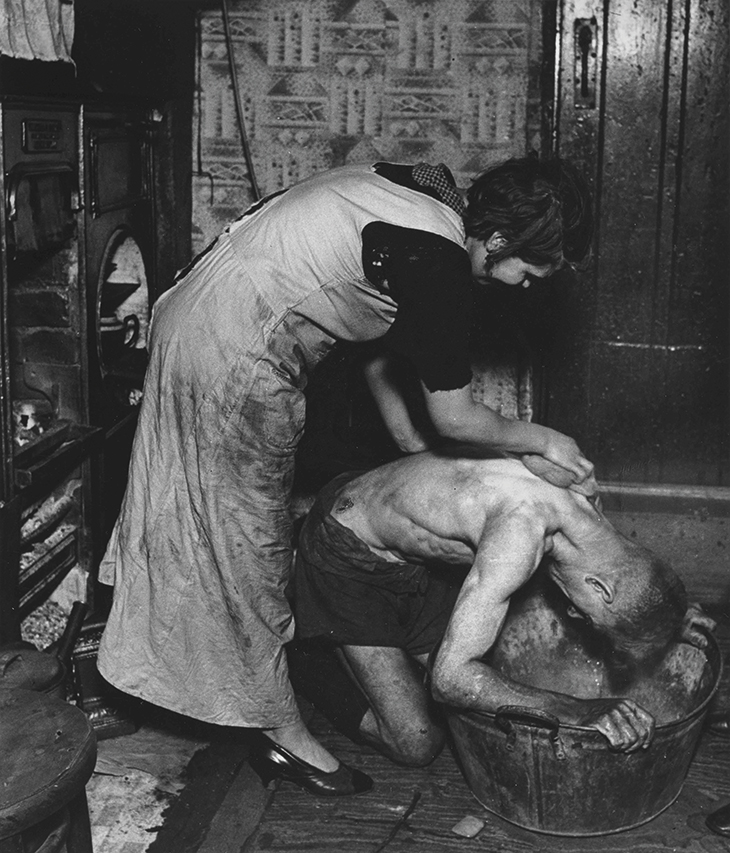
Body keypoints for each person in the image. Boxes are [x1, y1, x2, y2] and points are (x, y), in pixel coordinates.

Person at [96, 157, 595, 797]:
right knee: (247, 541)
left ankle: (241, 674)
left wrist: (417, 449)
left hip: (196, 311)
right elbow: (455, 411)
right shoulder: (439, 263)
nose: (525, 287)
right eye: (529, 271)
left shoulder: (424, 194)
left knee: (203, 515)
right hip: (233, 348)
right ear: (498, 243)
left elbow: (384, 359)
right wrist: (545, 438)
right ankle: (282, 735)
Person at [289, 449, 715, 765]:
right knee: (418, 740)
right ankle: (301, 651)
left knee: (499, 680)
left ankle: (368, 640)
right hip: (347, 553)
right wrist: (578, 709)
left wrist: (667, 618)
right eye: (588, 616)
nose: (575, 616)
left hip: (411, 553)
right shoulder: (518, 534)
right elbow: (450, 681)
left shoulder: (585, 501)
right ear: (601, 589)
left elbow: (638, 573)